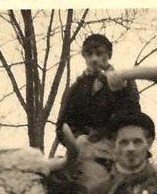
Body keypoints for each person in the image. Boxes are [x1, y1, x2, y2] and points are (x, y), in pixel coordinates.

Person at [55, 33, 140, 167]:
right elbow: (61, 126)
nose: (94, 59)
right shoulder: (76, 88)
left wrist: (104, 133)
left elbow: (134, 117)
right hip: (82, 154)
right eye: (89, 54)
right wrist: (79, 138)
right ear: (84, 56)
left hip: (116, 153)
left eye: (99, 53)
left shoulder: (124, 81)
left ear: (109, 54)